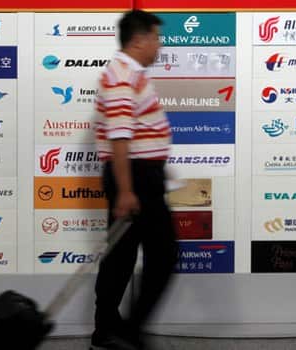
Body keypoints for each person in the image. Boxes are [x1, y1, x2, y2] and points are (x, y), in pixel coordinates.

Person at [92, 10, 178, 350]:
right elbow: (120, 136)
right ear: (139, 39)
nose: (159, 44)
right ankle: (127, 330)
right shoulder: (120, 75)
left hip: (142, 175)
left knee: (121, 256)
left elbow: (136, 132)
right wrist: (127, 189)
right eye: (156, 38)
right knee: (163, 255)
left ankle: (108, 331)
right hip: (135, 179)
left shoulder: (131, 74)